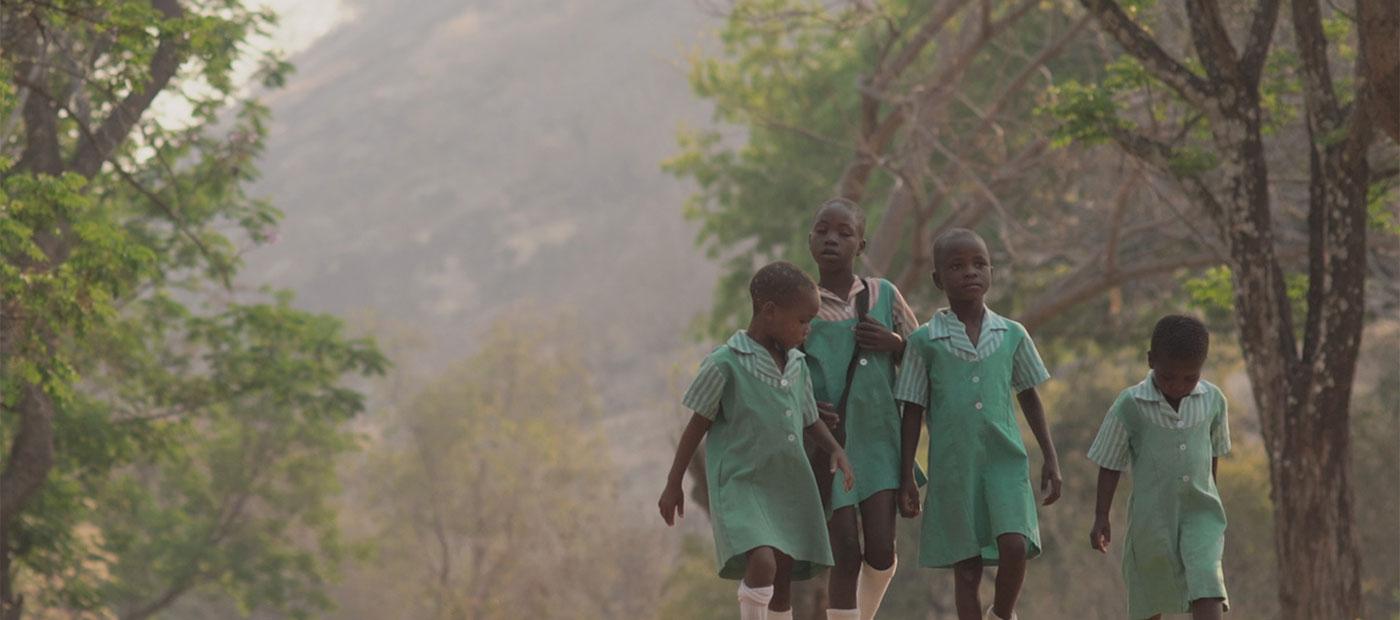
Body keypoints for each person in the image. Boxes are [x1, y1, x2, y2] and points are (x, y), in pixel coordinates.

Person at [658, 261, 856, 620]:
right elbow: (696, 426)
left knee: (782, 576)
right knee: (763, 562)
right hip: (743, 483)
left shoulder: (797, 365)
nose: (808, 329)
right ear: (770, 312)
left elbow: (810, 418)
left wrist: (835, 449)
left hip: (788, 483)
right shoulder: (725, 363)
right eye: (802, 320)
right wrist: (674, 483)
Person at [894, 228, 1062, 620]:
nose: (970, 272)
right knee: (967, 568)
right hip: (954, 466)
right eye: (956, 266)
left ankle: (1001, 615)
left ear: (991, 272)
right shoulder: (924, 342)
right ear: (938, 279)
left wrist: (1050, 457)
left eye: (979, 264)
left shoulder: (1012, 334)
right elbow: (912, 409)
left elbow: (1029, 395)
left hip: (1006, 459)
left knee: (1015, 546)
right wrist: (906, 477)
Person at [803, 198, 920, 619]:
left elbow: (924, 360)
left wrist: (896, 343)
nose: (831, 239)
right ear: (810, 240)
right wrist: (806, 406)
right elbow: (781, 368)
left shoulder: (882, 294)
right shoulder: (802, 302)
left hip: (881, 440)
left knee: (882, 552)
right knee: (846, 553)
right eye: (822, 231)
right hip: (828, 443)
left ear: (861, 245)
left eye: (844, 233)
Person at [1087, 314, 1231, 620]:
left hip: (1201, 513)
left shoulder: (1213, 401)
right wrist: (1101, 515)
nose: (1179, 386)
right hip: (1152, 518)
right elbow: (1110, 463)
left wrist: (1213, 494)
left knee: (1207, 581)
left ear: (1202, 367)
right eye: (1168, 377)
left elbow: (1212, 454)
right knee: (1149, 590)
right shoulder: (1131, 405)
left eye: (1190, 378)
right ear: (1151, 360)